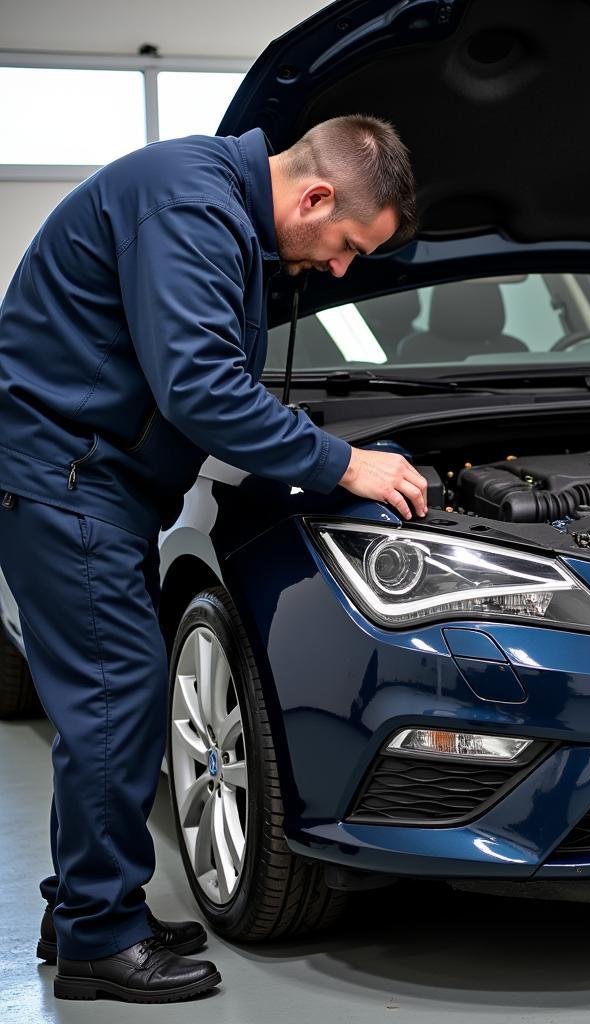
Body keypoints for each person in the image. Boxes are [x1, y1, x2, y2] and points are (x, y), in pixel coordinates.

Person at [0, 114, 427, 1003]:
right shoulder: (189, 208)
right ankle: (96, 944)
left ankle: (82, 909)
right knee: (116, 703)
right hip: (65, 479)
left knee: (106, 705)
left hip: (82, 476)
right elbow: (198, 385)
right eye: (347, 244)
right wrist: (343, 459)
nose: (342, 271)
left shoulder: (208, 200)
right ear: (313, 196)